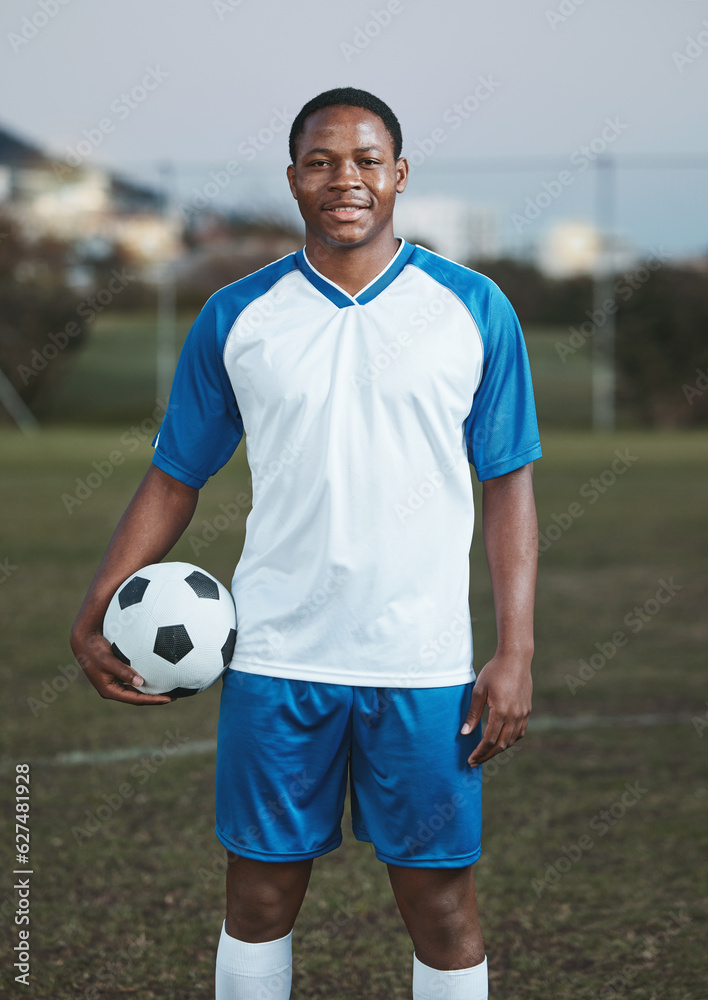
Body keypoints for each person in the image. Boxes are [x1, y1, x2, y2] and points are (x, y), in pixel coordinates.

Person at [70, 86, 541, 1000]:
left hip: (423, 663)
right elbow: (174, 477)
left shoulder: (474, 309)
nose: (346, 179)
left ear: (400, 175)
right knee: (258, 897)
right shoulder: (239, 315)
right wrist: (97, 606)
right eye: (322, 162)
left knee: (442, 904)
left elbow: (508, 484)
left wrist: (516, 648)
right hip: (277, 655)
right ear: (293, 180)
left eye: (367, 160)